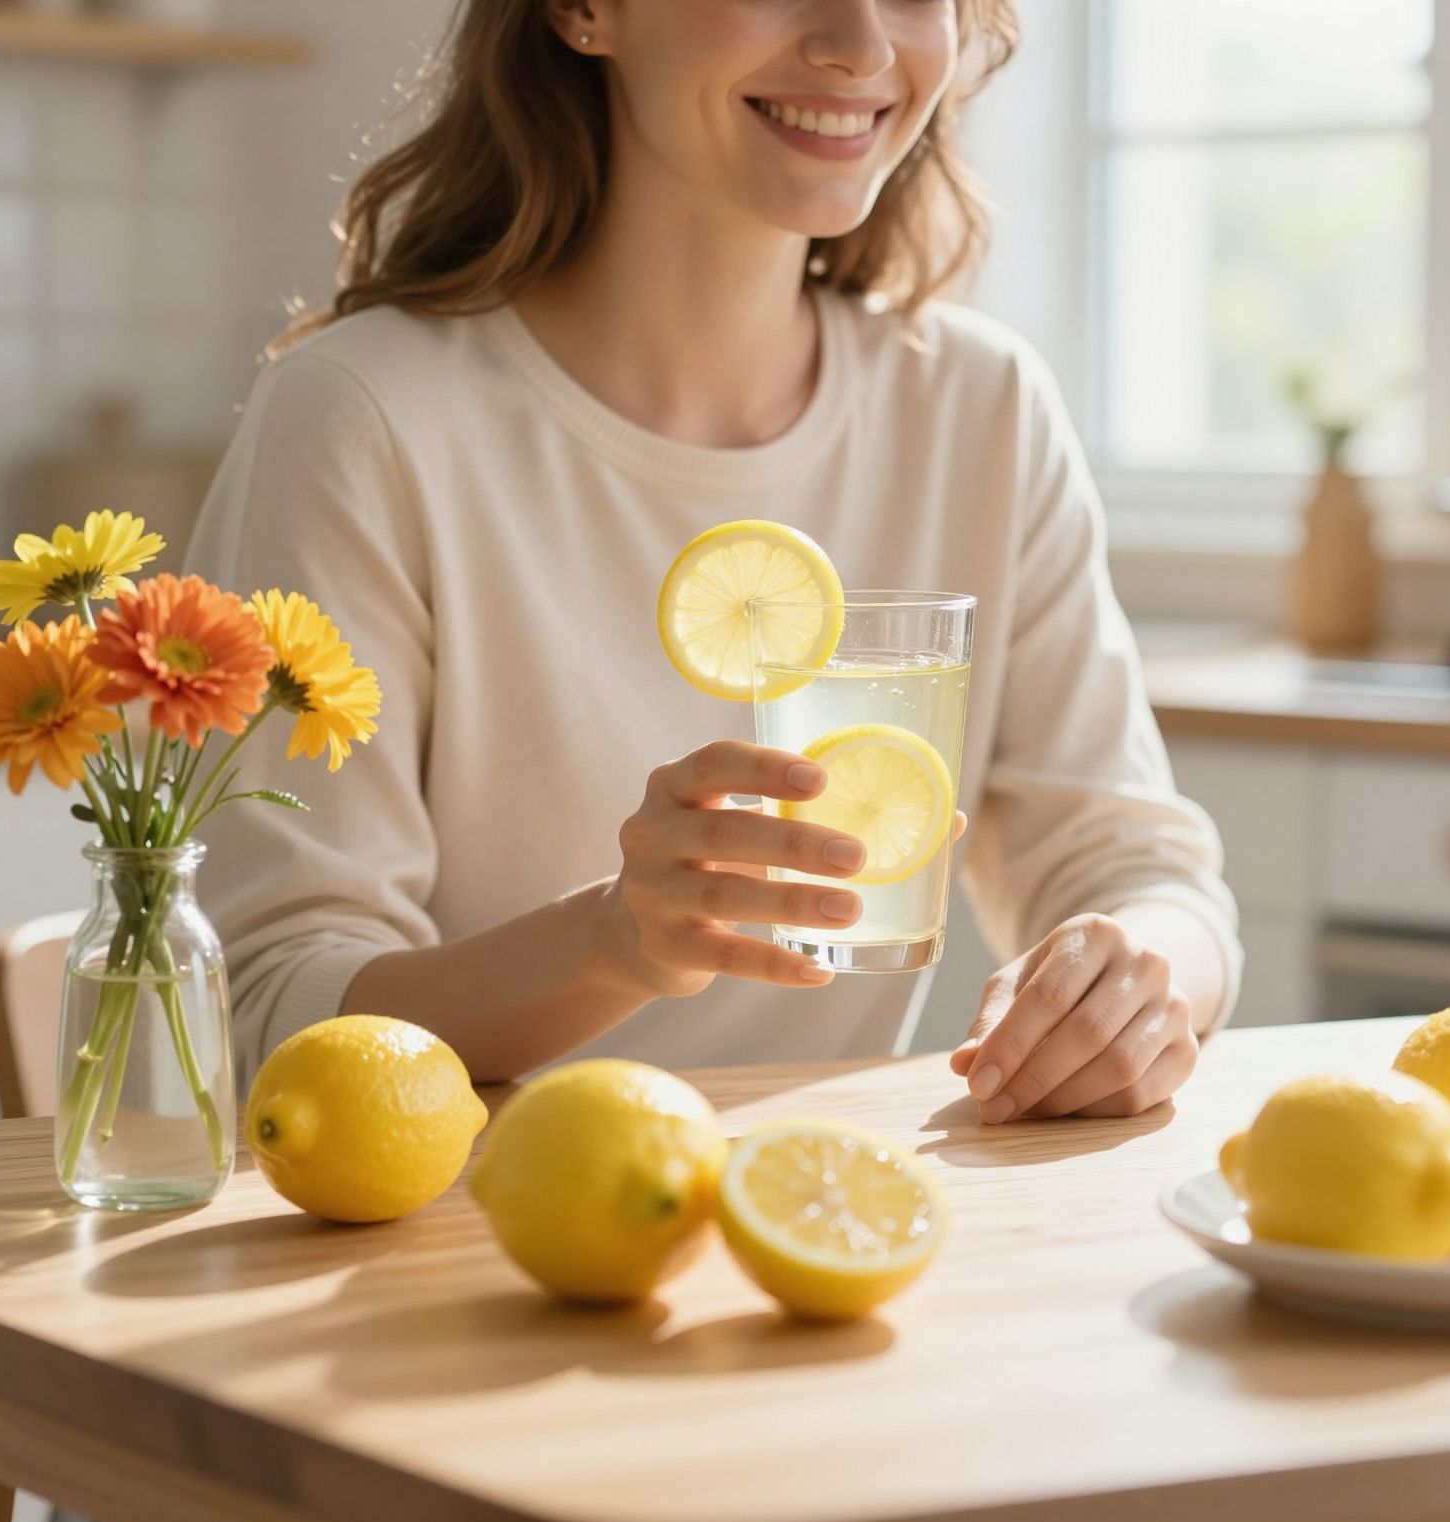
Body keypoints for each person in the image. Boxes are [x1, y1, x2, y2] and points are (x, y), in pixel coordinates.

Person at [188, 0, 1240, 1125]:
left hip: (819, 1207)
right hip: (468, 1212)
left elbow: (1142, 875)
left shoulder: (979, 408)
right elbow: (274, 1009)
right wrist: (613, 944)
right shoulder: (362, 418)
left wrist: (1131, 985)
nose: (859, 46)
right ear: (583, 10)